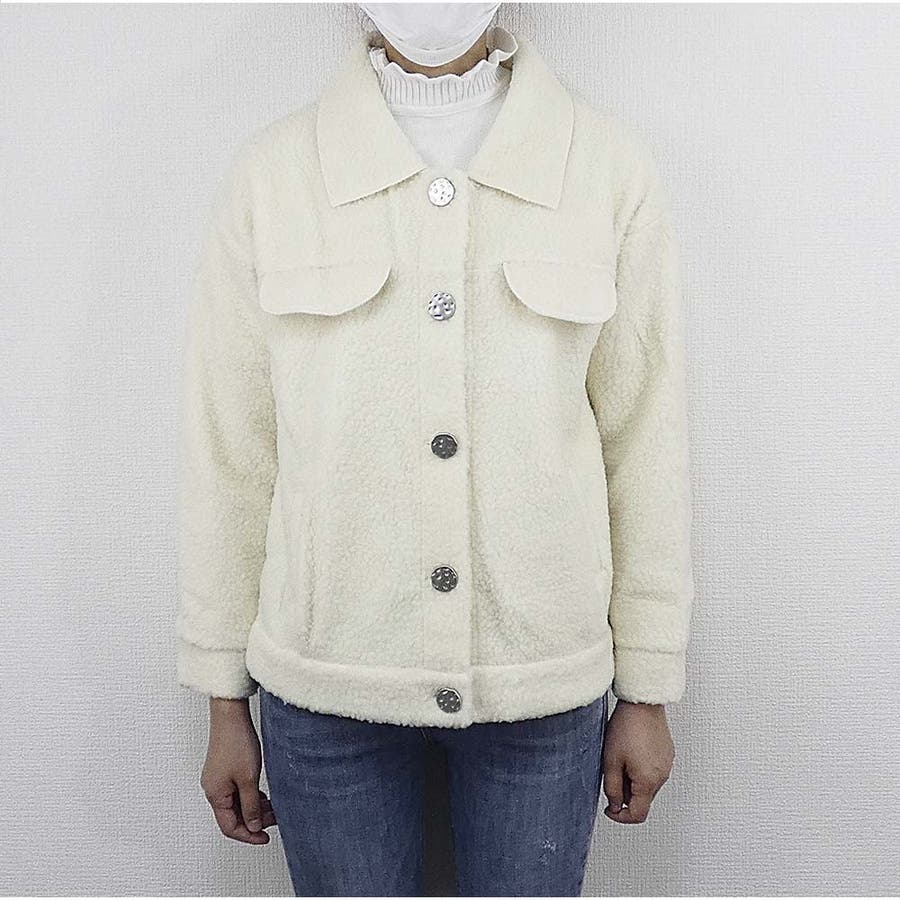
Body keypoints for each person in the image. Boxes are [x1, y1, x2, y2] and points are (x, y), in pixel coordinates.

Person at [175, 3, 694, 896]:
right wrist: (224, 697)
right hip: (325, 687)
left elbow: (645, 443)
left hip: (543, 686)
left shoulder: (606, 169)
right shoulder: (275, 175)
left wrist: (647, 689)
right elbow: (231, 451)